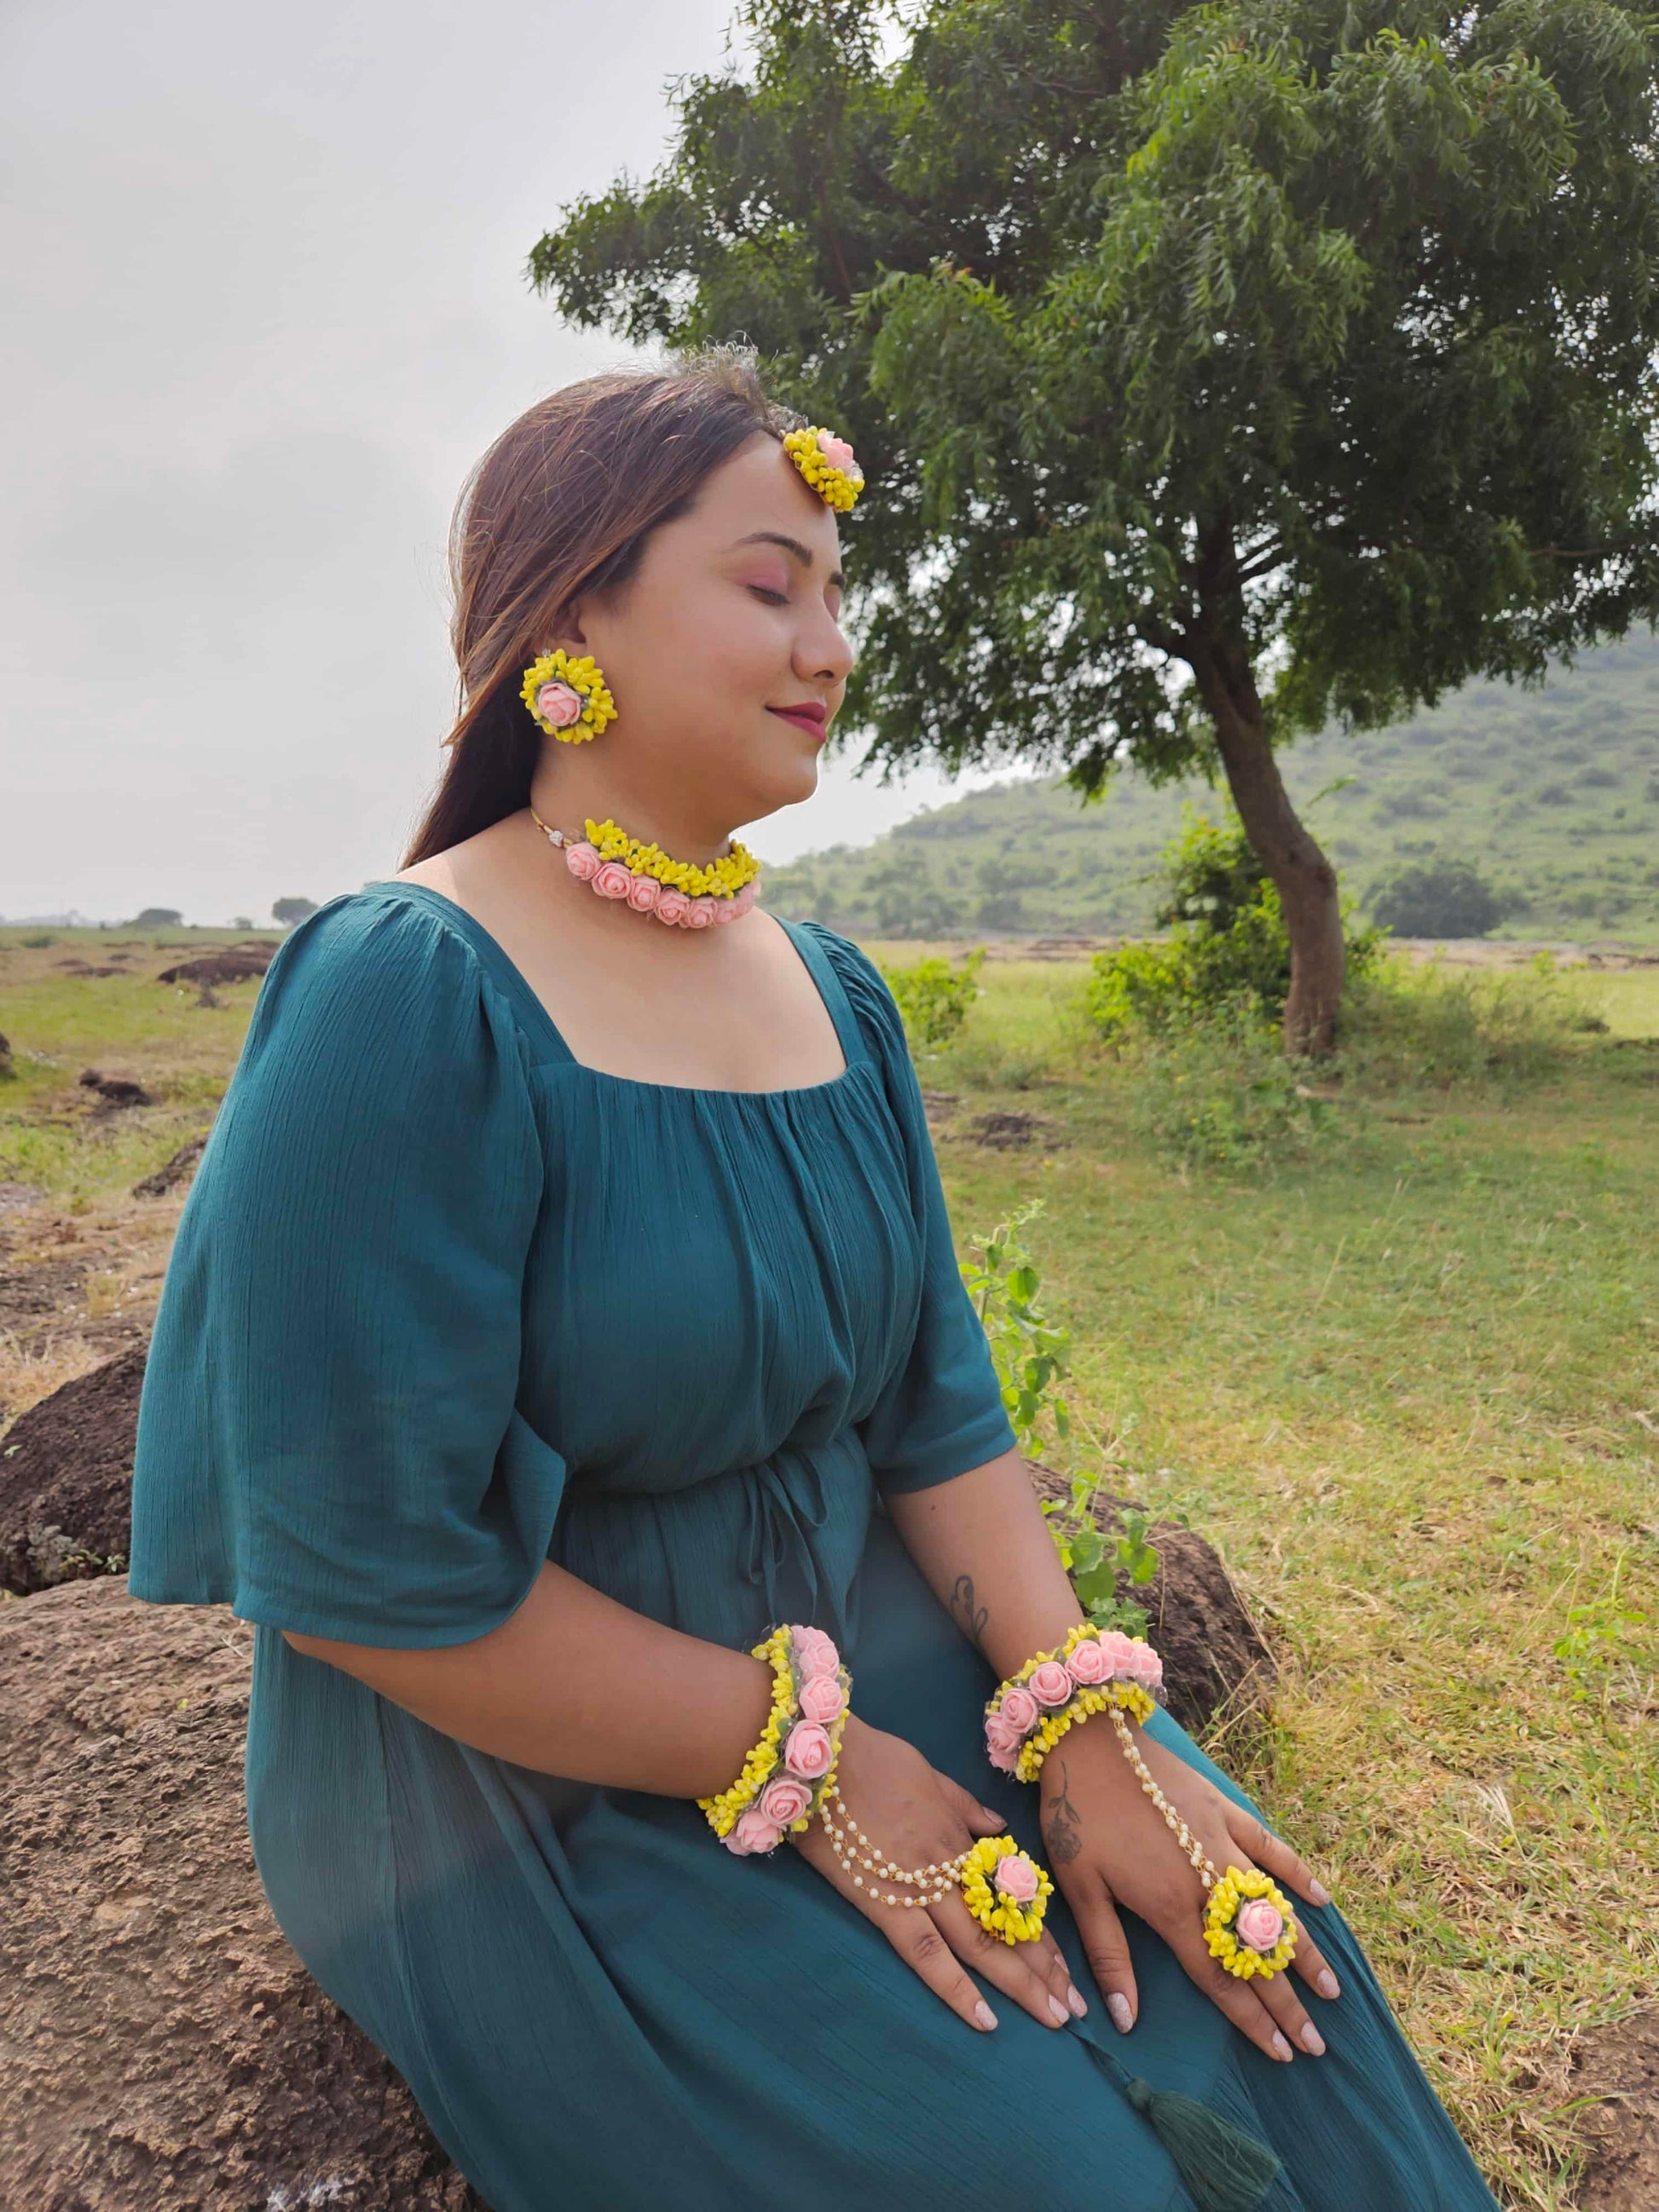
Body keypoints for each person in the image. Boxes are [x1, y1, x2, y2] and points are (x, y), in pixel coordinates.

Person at [128, 349, 1502, 2212]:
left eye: (838, 597)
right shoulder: (406, 989)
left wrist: (1090, 1721)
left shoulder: (839, 993)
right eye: (770, 584)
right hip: (532, 1770)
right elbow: (370, 1572)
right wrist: (802, 1751)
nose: (830, 644)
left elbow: (933, 1402)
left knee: (1281, 1994)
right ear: (569, 618)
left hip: (897, 1648)